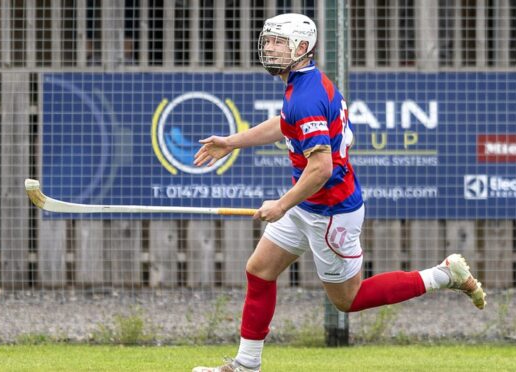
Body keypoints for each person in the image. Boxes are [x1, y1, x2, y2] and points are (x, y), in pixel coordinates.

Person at [192, 13, 486, 372]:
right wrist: (231, 142)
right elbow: (284, 123)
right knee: (259, 270)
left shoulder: (306, 96)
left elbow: (321, 168)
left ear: (301, 48)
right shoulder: (304, 85)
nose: (268, 47)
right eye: (267, 40)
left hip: (330, 212)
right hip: (308, 204)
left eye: (277, 42)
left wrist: (281, 205)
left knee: (349, 299)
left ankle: (444, 274)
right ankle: (245, 365)